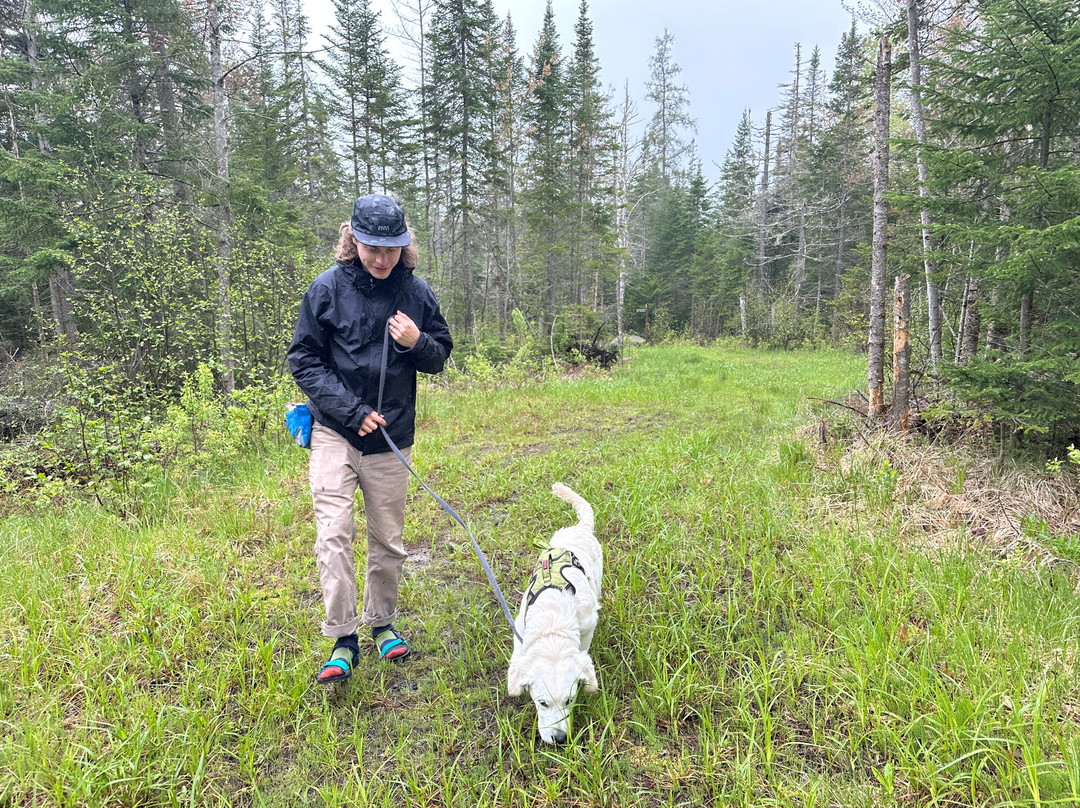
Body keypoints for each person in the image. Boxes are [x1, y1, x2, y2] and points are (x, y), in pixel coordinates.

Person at [287, 193, 452, 683]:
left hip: (391, 437)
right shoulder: (326, 290)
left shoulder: (417, 294)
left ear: (405, 246)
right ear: (352, 240)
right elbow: (304, 360)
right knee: (333, 532)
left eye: (391, 250)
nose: (381, 260)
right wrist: (350, 411)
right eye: (371, 249)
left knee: (388, 539)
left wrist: (415, 341)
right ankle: (343, 638)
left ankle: (382, 625)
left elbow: (440, 354)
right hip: (334, 430)